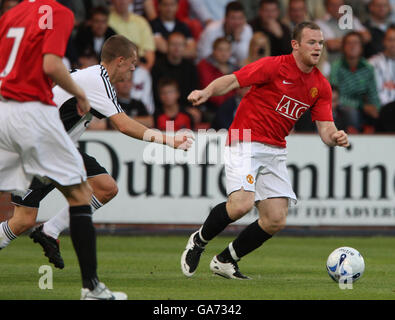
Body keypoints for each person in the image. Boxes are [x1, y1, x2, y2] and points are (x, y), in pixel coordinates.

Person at [1, 36, 193, 271]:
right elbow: (123, 125)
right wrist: (168, 140)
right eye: (132, 63)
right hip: (37, 150)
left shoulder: (93, 78)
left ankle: (49, 231)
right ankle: (84, 277)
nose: (134, 69)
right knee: (23, 220)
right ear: (120, 61)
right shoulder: (98, 80)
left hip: (61, 149)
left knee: (106, 188)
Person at [180, 22, 349, 280]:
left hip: (275, 148)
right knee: (240, 206)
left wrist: (335, 137)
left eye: (321, 43)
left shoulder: (321, 86)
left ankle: (225, 260)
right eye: (312, 42)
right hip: (245, 140)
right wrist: (207, 91)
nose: (318, 47)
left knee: (275, 219)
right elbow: (233, 80)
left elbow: (326, 129)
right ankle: (199, 241)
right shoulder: (274, 66)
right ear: (295, 44)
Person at [0, 0, 125, 300]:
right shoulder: (57, 12)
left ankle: (55, 237)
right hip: (33, 118)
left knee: (28, 217)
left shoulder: (11, 15)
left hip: (6, 111)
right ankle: (91, 288)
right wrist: (79, 92)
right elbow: (51, 64)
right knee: (82, 196)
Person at [330, 32, 381, 132]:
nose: (352, 46)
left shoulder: (368, 68)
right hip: (342, 108)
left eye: (356, 43)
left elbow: (373, 94)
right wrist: (361, 106)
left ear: (361, 47)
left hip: (364, 108)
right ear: (343, 47)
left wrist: (376, 109)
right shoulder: (336, 67)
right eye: (349, 43)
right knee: (351, 112)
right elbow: (335, 96)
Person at [197, 1, 253, 67]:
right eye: (233, 18)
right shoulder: (211, 29)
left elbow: (245, 57)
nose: (237, 22)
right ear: (225, 18)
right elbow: (203, 56)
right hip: (211, 68)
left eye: (240, 18)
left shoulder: (247, 29)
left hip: (232, 68)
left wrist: (237, 40)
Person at [109, 0, 156, 70]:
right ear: (112, 1)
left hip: (140, 64)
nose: (122, 2)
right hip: (118, 65)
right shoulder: (107, 22)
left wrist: (146, 69)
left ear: (131, 1)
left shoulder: (141, 21)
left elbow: (149, 51)